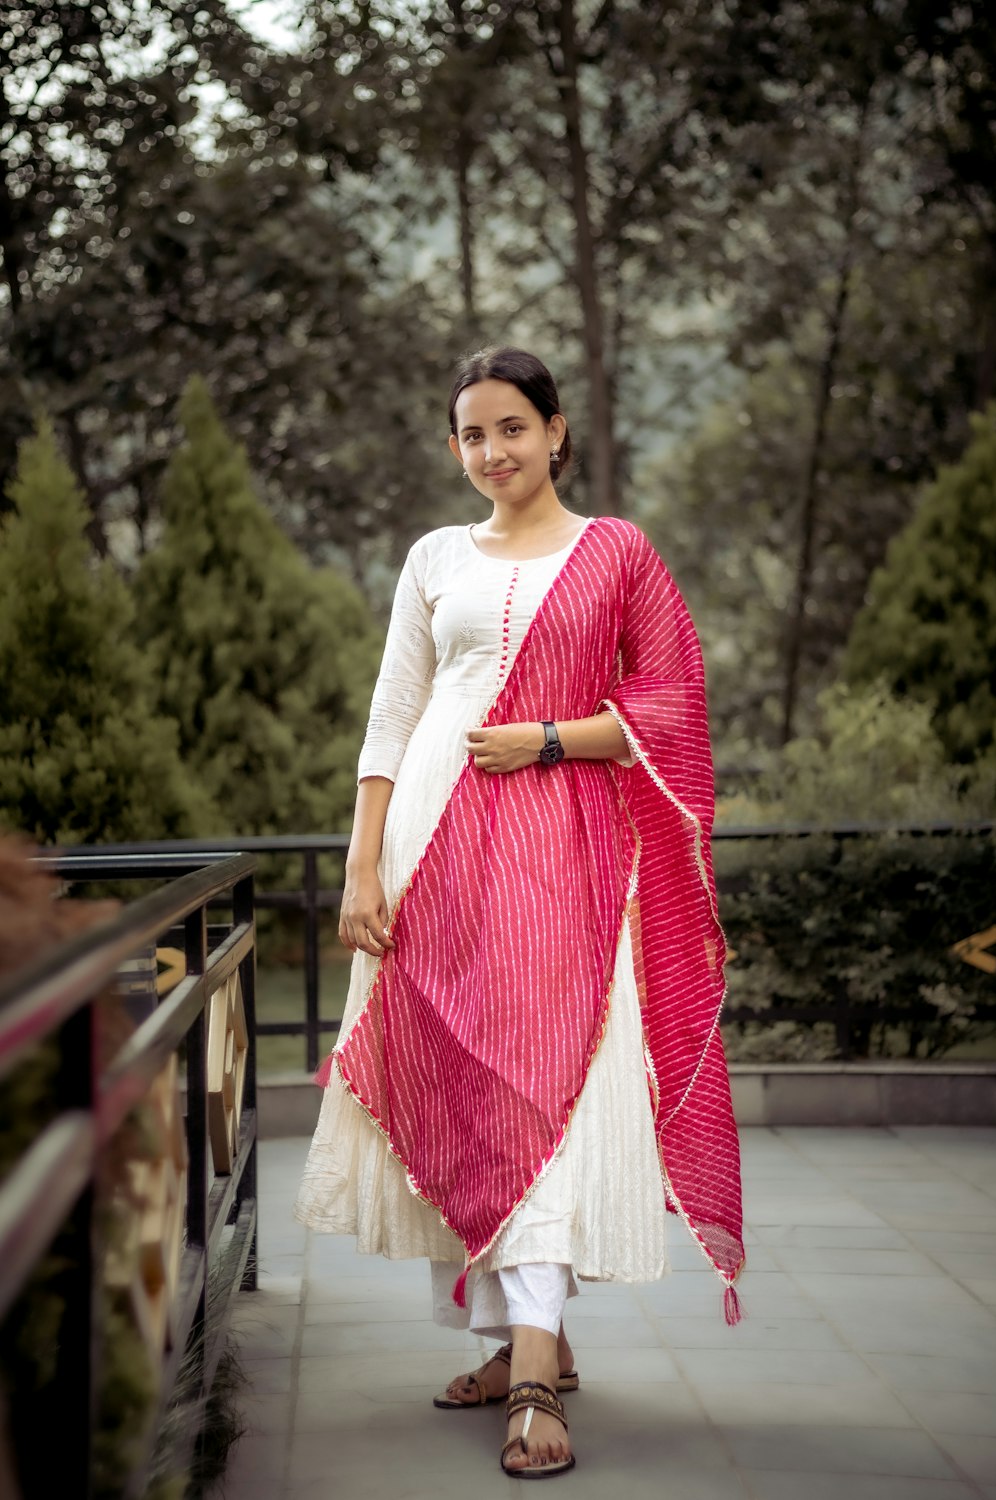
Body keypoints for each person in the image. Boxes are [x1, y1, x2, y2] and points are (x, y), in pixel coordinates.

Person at [294, 346, 745, 1480]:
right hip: (425, 855)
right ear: (454, 450)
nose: (492, 452)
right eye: (471, 436)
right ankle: (509, 1343)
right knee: (463, 1085)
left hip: (562, 852)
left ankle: (538, 1373)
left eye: (512, 429)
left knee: (544, 1072)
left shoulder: (616, 553)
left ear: (555, 433)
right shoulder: (434, 557)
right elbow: (393, 712)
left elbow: (676, 705)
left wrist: (548, 738)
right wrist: (361, 868)